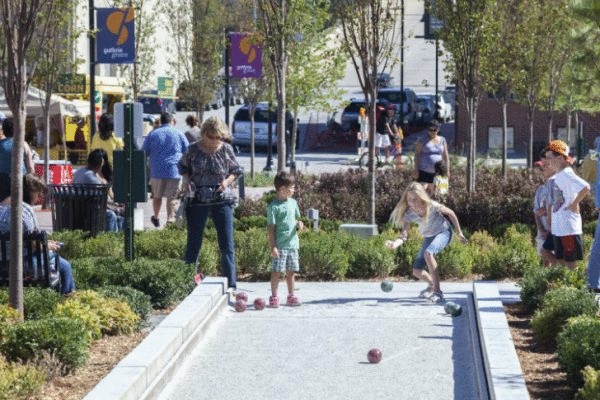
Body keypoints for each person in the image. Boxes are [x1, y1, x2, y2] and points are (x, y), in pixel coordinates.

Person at [178, 116, 243, 292]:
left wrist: (226, 183)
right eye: (211, 136)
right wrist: (186, 181)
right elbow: (183, 167)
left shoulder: (226, 149)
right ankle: (188, 281)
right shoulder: (192, 150)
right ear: (204, 133)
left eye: (218, 137)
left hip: (221, 198)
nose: (215, 140)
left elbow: (236, 171)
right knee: (194, 242)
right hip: (198, 198)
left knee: (226, 243)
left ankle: (231, 284)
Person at [385, 182, 467, 303]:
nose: (411, 203)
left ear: (421, 197)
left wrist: (459, 232)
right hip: (429, 237)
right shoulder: (408, 214)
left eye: (415, 199)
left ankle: (438, 292)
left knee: (428, 253)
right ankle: (431, 285)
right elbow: (404, 235)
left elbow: (451, 213)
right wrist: (394, 244)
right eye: (409, 200)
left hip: (444, 232)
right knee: (416, 271)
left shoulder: (432, 206)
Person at [0, 174, 76, 296]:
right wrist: (48, 246)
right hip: (23, 266)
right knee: (64, 266)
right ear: (31, 192)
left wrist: (46, 243)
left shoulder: (1, 208)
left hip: (1, 268)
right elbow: (34, 244)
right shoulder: (26, 211)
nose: (39, 197)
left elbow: (30, 241)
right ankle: (67, 301)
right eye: (38, 193)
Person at [540, 140, 590, 269]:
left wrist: (574, 204)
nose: (547, 161)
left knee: (570, 263)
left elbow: (585, 187)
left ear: (561, 158)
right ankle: (566, 285)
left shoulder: (567, 173)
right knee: (562, 260)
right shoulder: (559, 175)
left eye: (549, 157)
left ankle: (575, 286)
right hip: (560, 228)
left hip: (568, 227)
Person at [142, 112, 189, 227]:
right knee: (172, 197)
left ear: (161, 121)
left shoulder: (153, 134)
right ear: (171, 121)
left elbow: (144, 151)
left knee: (157, 196)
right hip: (174, 170)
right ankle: (170, 219)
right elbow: (188, 150)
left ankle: (156, 216)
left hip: (156, 170)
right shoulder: (178, 133)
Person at [267, 171, 304, 308]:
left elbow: (297, 221)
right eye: (292, 187)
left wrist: (299, 225)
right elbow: (270, 229)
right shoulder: (273, 207)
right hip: (280, 246)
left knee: (291, 272)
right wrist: (273, 247)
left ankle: (291, 296)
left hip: (293, 245)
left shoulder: (293, 203)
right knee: (276, 272)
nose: (294, 190)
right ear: (282, 189)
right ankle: (274, 297)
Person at [72, 149, 124, 232]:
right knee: (113, 215)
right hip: (90, 211)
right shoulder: (92, 178)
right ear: (100, 164)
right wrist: (117, 208)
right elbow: (102, 201)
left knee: (117, 214)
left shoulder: (79, 172)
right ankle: (114, 240)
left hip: (79, 209)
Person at [414, 120, 450, 192]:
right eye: (430, 129)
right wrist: (416, 169)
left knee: (441, 192)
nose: (432, 132)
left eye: (435, 130)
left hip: (440, 170)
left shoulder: (442, 140)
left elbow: (446, 156)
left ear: (438, 129)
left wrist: (447, 170)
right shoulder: (422, 140)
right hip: (424, 171)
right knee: (421, 192)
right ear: (427, 129)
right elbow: (417, 155)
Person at [533, 159, 553, 266]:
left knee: (555, 256)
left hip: (555, 230)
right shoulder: (540, 190)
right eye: (540, 169)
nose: (542, 171)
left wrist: (546, 211)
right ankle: (546, 280)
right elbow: (536, 213)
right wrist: (542, 230)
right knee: (545, 256)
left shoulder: (556, 187)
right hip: (543, 230)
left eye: (543, 168)